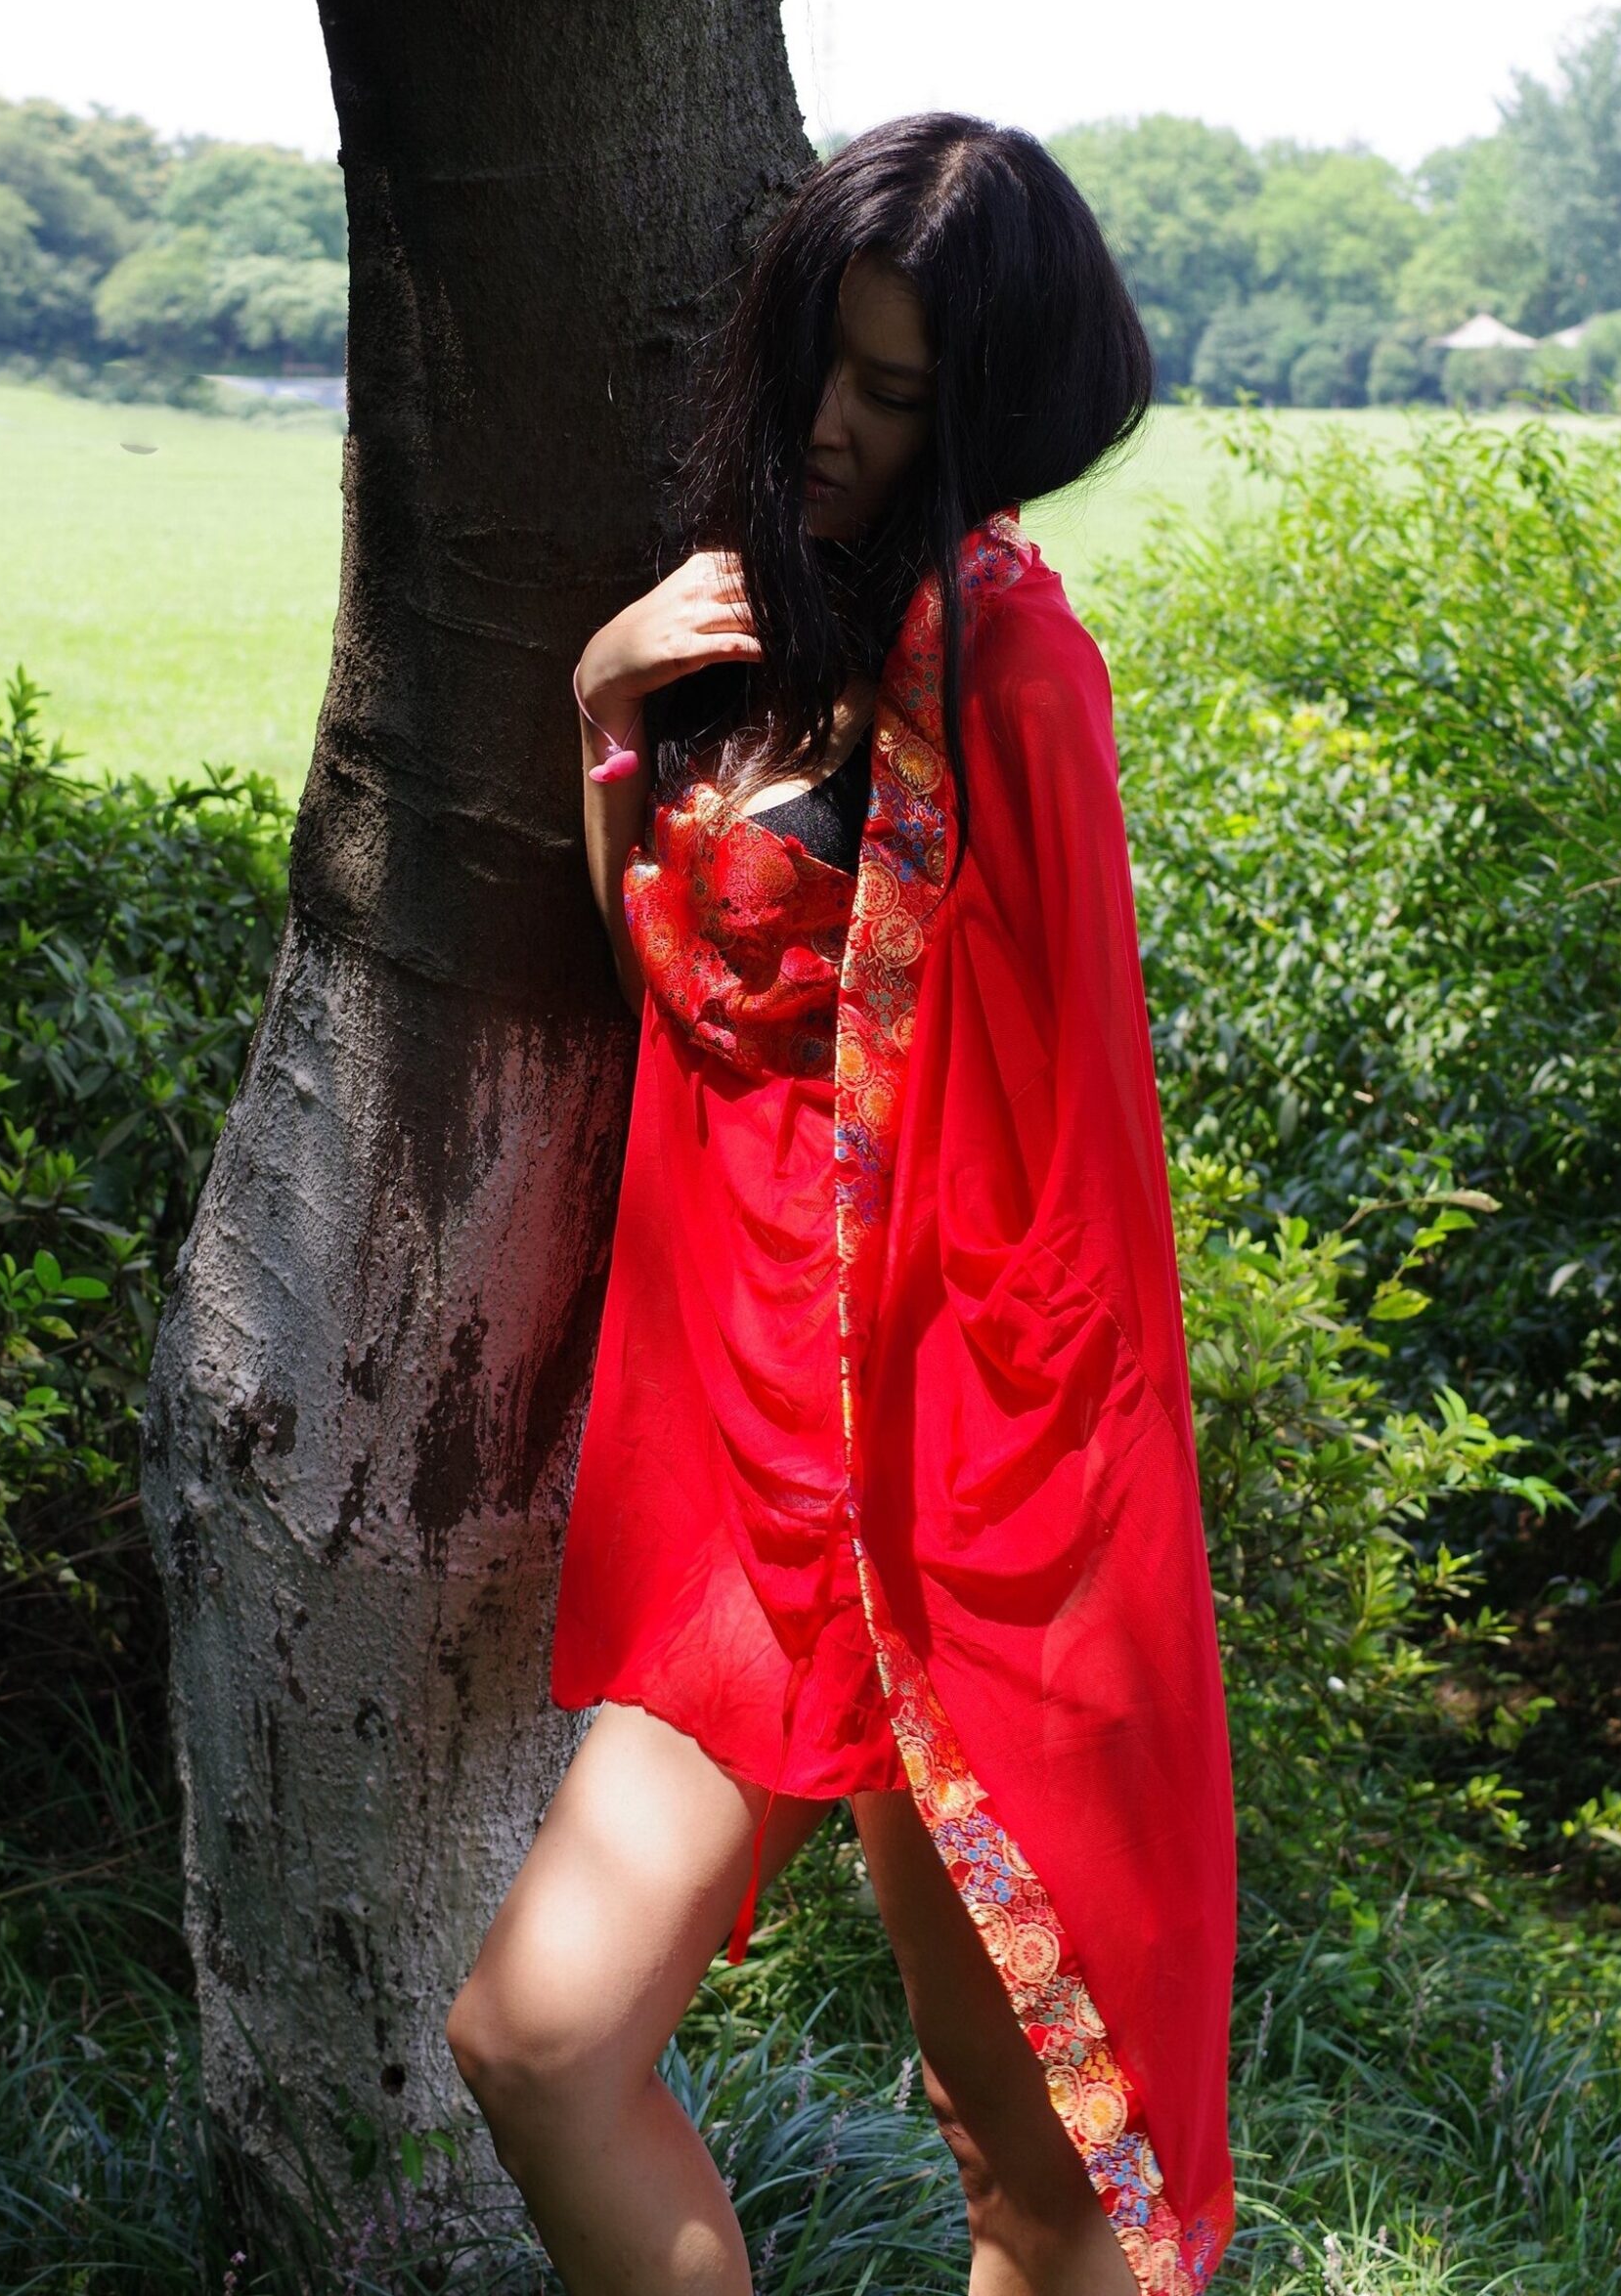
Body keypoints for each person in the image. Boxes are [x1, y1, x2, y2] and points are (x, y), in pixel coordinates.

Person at [447, 114, 1238, 2296]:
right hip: (744, 1486)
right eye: (824, 366)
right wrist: (607, 711)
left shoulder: (1009, 675)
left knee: (1036, 2181)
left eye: (895, 396)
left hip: (958, 1506)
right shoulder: (763, 622)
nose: (833, 428)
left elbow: (1069, 1166)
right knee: (538, 2045)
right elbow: (683, 1000)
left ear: (985, 417)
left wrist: (1007, 1550)